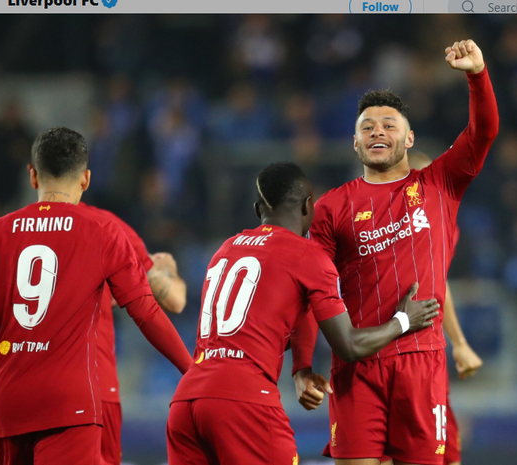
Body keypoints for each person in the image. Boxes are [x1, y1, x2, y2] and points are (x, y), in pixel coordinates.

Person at [0, 127, 193, 465]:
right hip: (69, 402)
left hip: (8, 402)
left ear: (32, 175)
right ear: (85, 179)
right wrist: (191, 372)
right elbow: (145, 312)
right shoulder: (102, 231)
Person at [291, 39, 498, 465]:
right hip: (356, 368)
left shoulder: (439, 184)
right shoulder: (332, 206)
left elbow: (484, 133)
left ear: (409, 137)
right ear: (354, 142)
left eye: (388, 124)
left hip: (420, 364)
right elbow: (313, 292)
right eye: (367, 127)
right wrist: (301, 365)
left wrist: (477, 76)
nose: (378, 132)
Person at [166, 162, 441, 464]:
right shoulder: (308, 256)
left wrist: (301, 368)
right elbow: (348, 346)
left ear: (259, 209)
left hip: (186, 402)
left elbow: (266, 325)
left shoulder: (227, 249)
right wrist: (403, 321)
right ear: (309, 206)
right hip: (243, 402)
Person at [379, 152, 484, 465]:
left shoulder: (442, 223)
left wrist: (460, 344)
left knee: (447, 456)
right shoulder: (383, 227)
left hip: (427, 359)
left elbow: (439, 284)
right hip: (385, 358)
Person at [79, 201, 187, 465]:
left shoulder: (5, 231)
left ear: (33, 175)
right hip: (92, 389)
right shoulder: (106, 227)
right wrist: (167, 268)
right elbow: (175, 300)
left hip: (23, 388)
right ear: (85, 177)